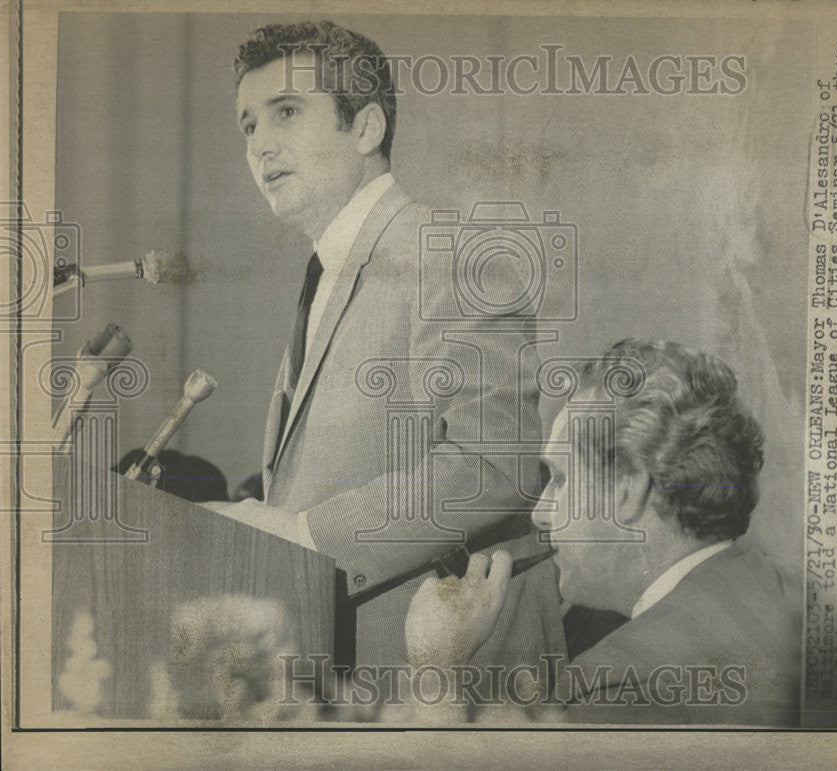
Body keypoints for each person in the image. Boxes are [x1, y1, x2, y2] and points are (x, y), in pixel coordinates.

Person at [209, 21, 564, 671]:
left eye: (287, 111)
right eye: (249, 124)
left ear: (366, 128)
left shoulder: (451, 254)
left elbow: (492, 464)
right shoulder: (327, 273)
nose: (261, 144)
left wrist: (300, 536)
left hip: (446, 670)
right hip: (346, 664)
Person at [405, 340, 801, 725]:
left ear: (628, 491)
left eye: (559, 479)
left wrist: (435, 669)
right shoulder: (782, 590)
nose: (541, 513)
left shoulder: (617, 683)